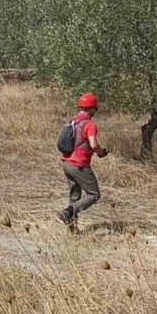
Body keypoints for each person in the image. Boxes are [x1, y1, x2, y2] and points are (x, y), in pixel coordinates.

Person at [57, 93, 108, 232]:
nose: (95, 111)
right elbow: (93, 144)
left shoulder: (73, 121)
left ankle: (72, 231)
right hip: (79, 165)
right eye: (95, 108)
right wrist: (101, 152)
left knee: (74, 196)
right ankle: (67, 212)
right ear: (91, 108)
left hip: (66, 163)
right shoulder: (90, 124)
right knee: (94, 194)